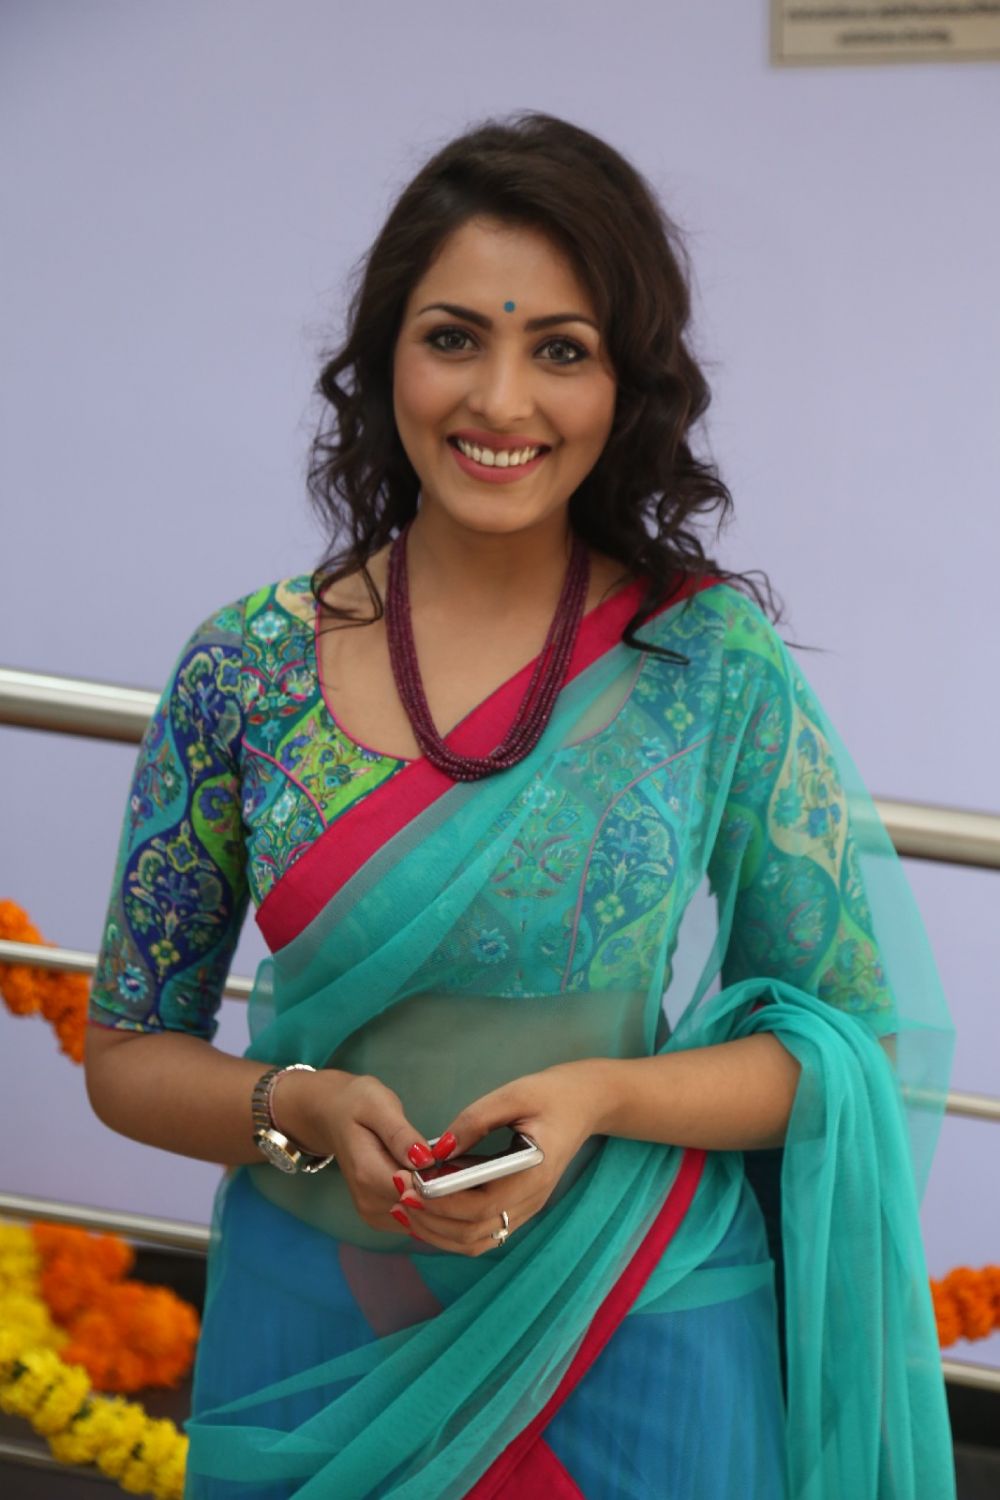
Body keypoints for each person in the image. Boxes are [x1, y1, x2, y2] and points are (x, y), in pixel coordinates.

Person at [83, 111, 957, 1499]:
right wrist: (297, 1105)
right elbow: (128, 1050)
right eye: (453, 338)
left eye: (561, 349)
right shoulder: (244, 670)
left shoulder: (705, 663)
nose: (501, 401)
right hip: (316, 1341)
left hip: (637, 1327)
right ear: (384, 358)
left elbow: (843, 1041)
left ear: (627, 387)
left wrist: (604, 1095)